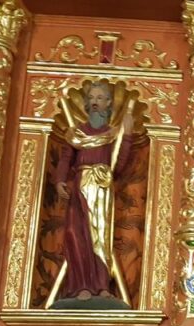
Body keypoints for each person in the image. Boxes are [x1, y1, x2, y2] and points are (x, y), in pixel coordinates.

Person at [52, 81, 135, 306]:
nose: (95, 102)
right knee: (75, 233)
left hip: (101, 186)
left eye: (100, 98)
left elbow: (119, 165)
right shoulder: (76, 132)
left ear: (108, 103)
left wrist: (127, 136)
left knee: (100, 236)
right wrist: (60, 181)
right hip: (79, 185)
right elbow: (66, 159)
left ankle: (101, 285)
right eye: (91, 98)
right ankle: (81, 285)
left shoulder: (113, 134)